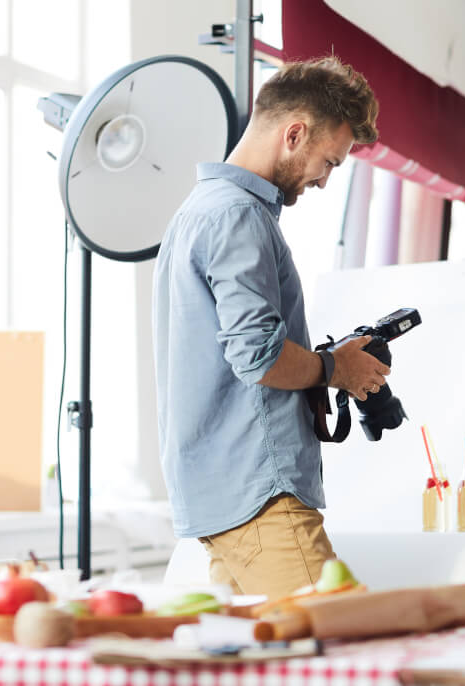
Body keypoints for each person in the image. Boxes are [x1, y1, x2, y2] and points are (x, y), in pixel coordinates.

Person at [152, 56, 389, 600]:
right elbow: (257, 358)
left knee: (265, 664)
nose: (326, 182)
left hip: (224, 497)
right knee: (340, 653)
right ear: (295, 133)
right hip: (261, 494)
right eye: (329, 162)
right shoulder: (238, 215)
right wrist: (337, 367)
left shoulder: (199, 210)